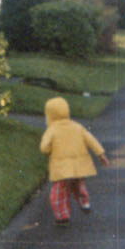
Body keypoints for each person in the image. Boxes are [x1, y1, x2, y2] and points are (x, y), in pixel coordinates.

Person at [40, 96, 109, 225]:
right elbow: (90, 140)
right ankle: (84, 202)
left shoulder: (52, 130)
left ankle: (62, 216)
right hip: (79, 165)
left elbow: (44, 148)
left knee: (59, 192)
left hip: (61, 167)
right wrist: (101, 154)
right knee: (78, 184)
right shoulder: (77, 127)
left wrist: (48, 151)